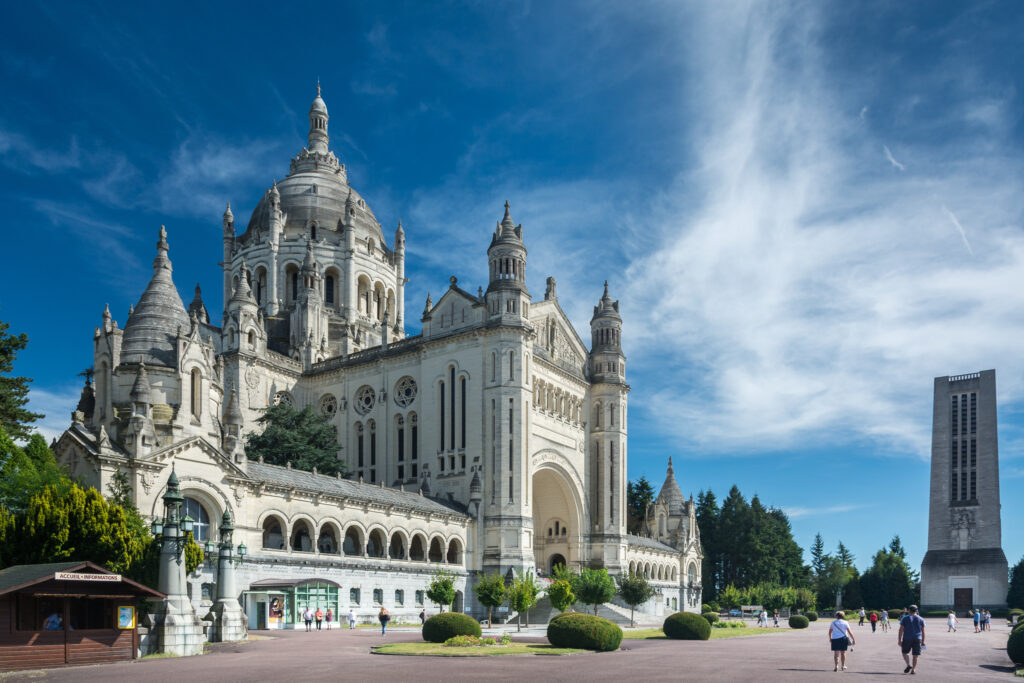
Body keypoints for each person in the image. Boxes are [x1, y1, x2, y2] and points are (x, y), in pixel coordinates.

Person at [897, 604, 926, 675]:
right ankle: (914, 669)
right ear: (917, 610)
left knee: (905, 652)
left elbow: (901, 630)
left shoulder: (905, 618)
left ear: (909, 610)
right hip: (917, 638)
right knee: (915, 655)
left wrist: (899, 640)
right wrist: (923, 641)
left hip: (907, 638)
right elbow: (923, 631)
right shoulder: (921, 619)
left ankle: (908, 665)